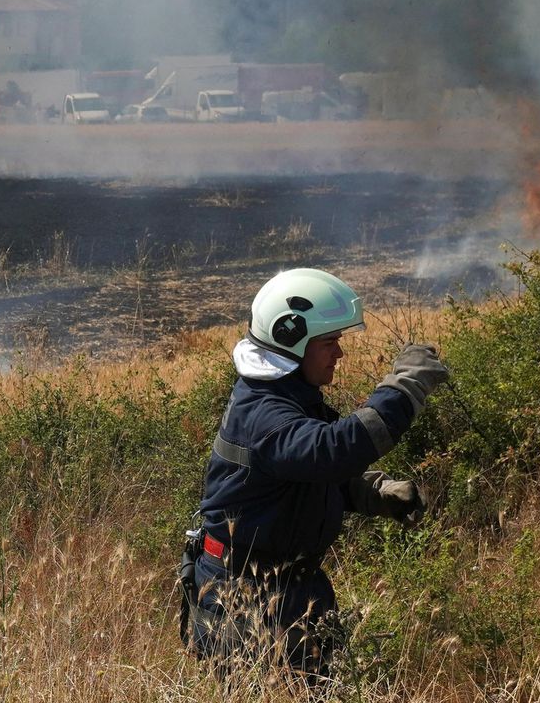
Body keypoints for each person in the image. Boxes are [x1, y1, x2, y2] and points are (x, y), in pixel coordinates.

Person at [185, 268, 449, 681]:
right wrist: (405, 388)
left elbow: (297, 472)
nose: (339, 354)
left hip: (290, 591)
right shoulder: (265, 413)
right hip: (246, 600)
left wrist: (368, 492)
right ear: (291, 340)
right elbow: (331, 452)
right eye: (330, 342)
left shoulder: (285, 396)